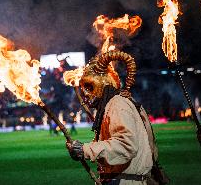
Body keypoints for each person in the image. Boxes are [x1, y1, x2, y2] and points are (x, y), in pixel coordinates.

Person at [66, 51, 163, 185]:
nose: (85, 94)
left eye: (89, 87)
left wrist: (86, 149)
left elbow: (126, 145)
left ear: (103, 83)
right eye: (84, 89)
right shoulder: (113, 104)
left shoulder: (117, 105)